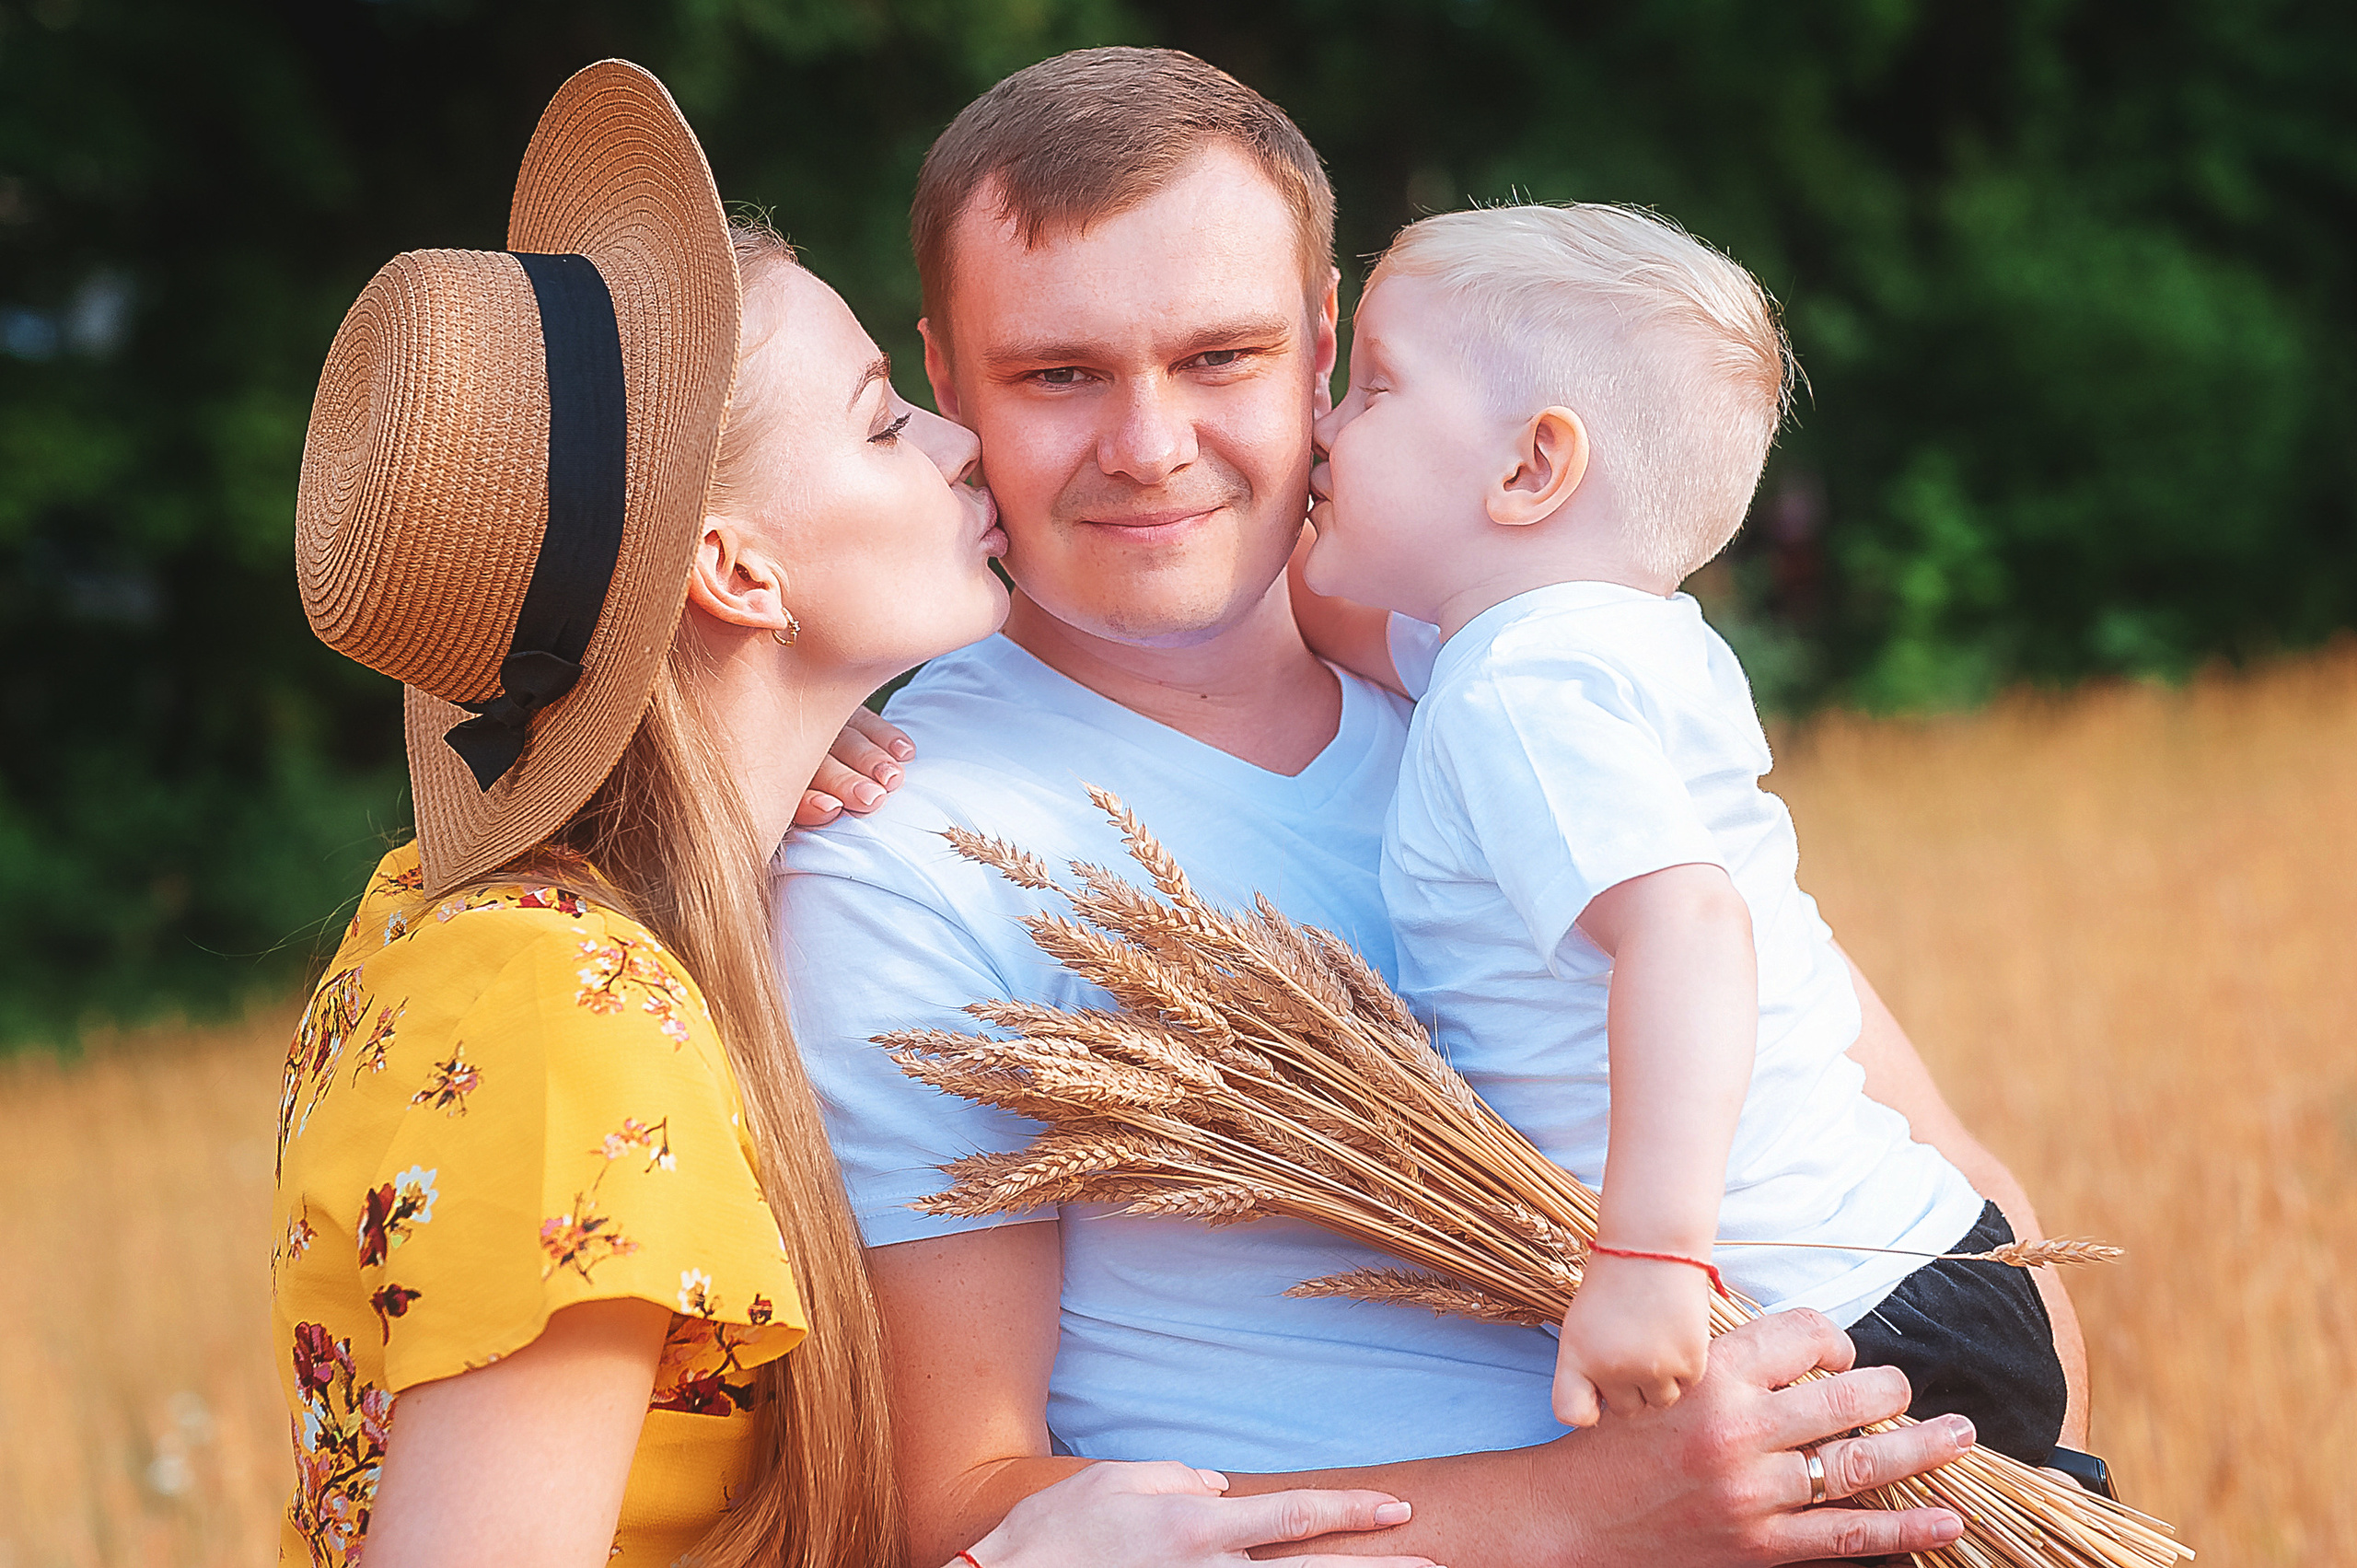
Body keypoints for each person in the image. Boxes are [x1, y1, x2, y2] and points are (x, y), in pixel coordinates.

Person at [779, 45, 2077, 1567]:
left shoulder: (1493, 677)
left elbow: (1964, 1193)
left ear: (1328, 348)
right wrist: (1594, 1515)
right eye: (1058, 374)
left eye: (1221, 359)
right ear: (949, 379)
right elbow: (952, 1507)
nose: (1150, 445)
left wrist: (1998, 1477)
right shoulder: (904, 853)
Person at [271, 59, 1442, 1568]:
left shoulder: (480, 937)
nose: (961, 457)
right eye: (889, 422)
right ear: (741, 576)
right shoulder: (565, 1003)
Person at [1288, 201, 2073, 1462]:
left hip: (1838, 1329)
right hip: (1909, 1264)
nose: (1318, 425)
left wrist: (1651, 1255)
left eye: (1369, 389)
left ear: (1531, 468)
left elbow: (1689, 929)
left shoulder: (1521, 691)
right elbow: (1338, 619)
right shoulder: (1586, 640)